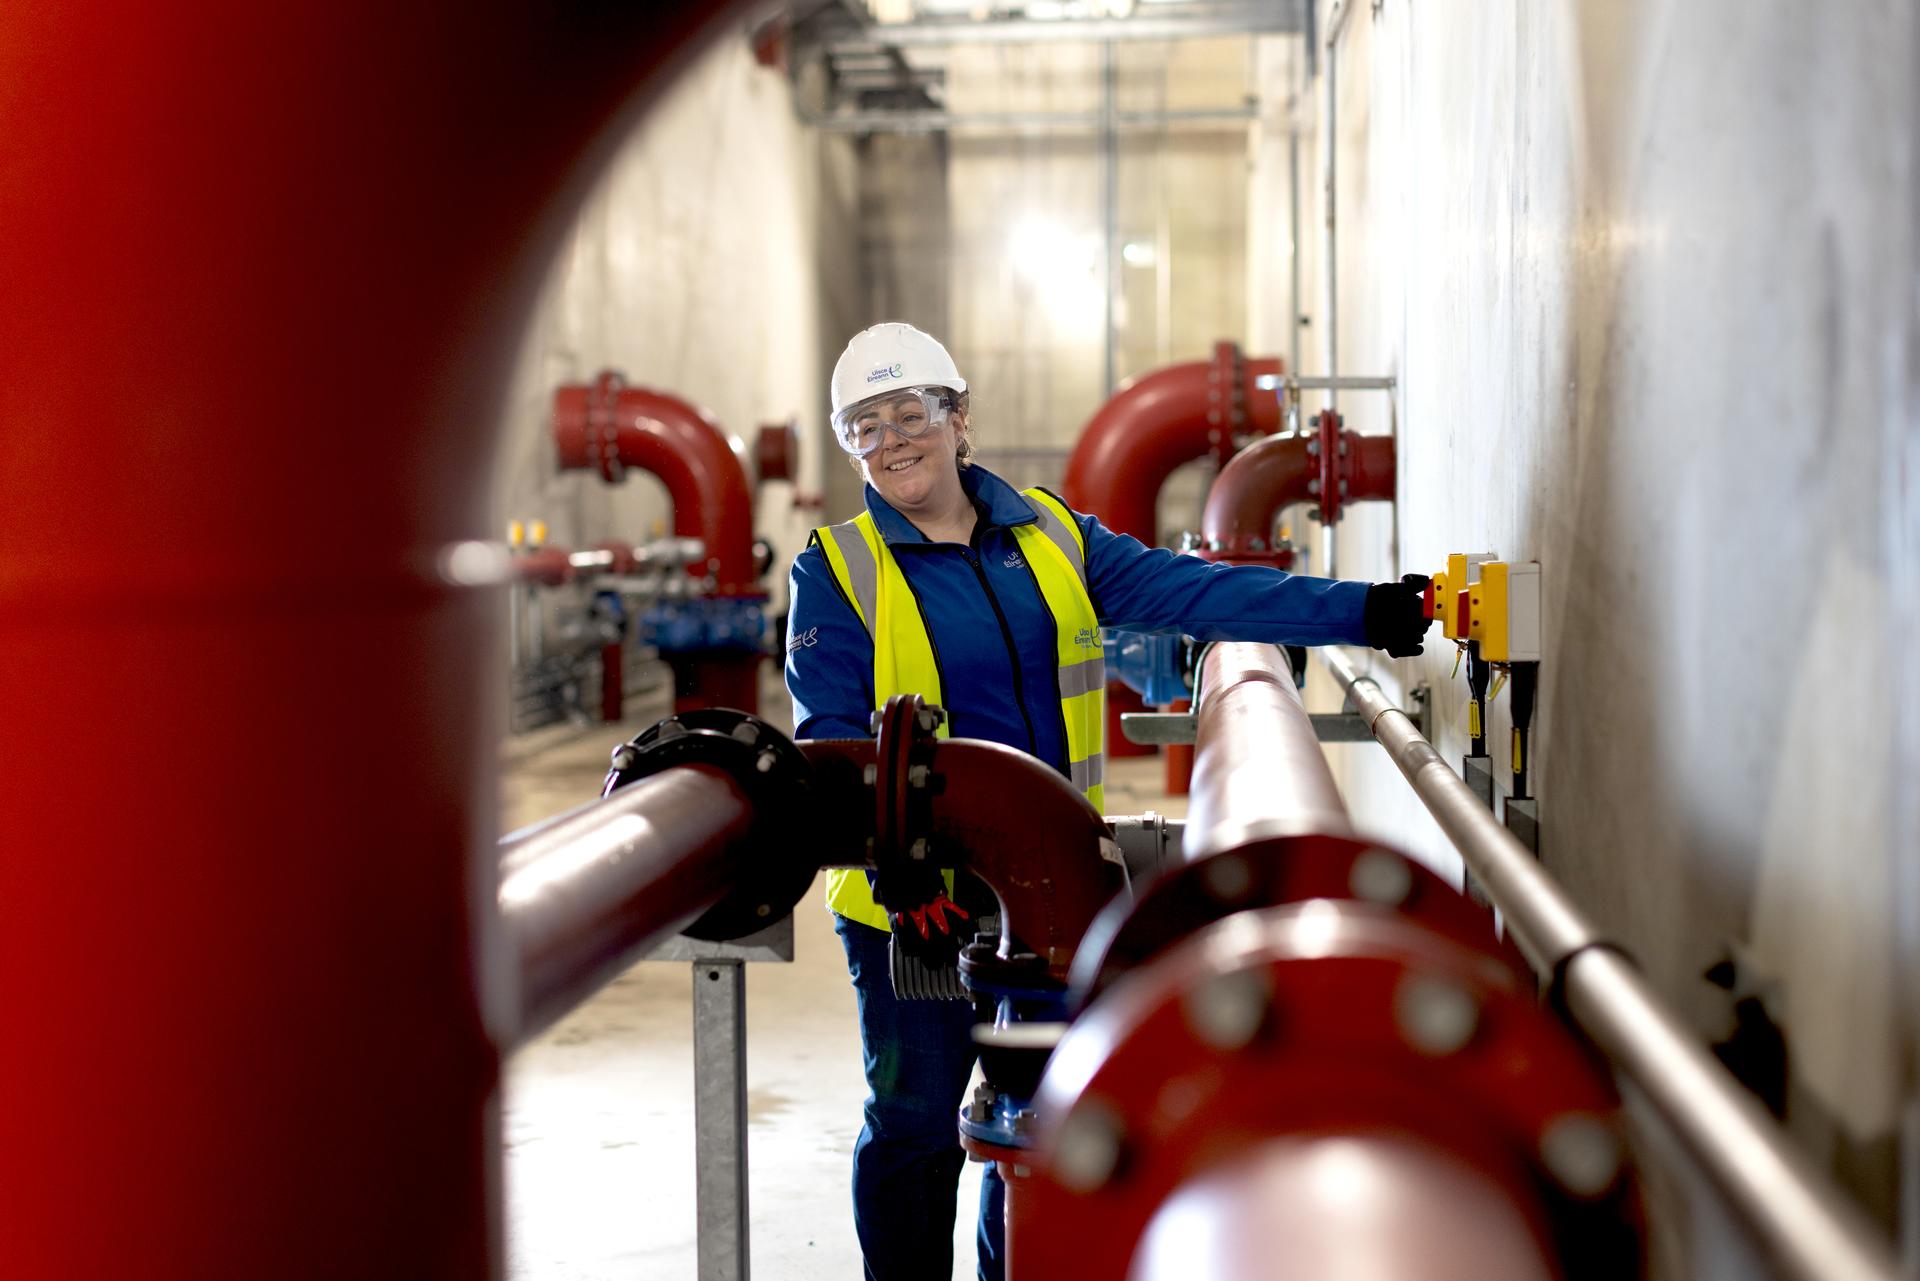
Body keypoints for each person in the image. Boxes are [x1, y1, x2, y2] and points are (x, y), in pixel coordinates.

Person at [784, 322, 1432, 1281]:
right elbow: (828, 747)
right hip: (911, 908)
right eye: (863, 427)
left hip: (1050, 889)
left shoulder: (1051, 535)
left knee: (1040, 1118)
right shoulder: (836, 570)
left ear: (958, 416)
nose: (891, 441)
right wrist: (900, 865)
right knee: (915, 1126)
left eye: (909, 412)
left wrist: (1363, 611)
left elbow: (1198, 592)